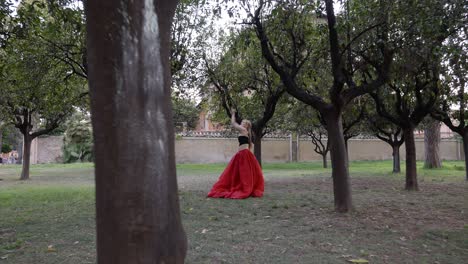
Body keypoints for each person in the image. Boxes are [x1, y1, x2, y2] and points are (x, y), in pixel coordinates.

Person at [207, 109, 264, 199]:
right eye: (241, 122)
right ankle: (242, 186)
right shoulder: (245, 131)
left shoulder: (243, 129)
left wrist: (233, 114)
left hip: (243, 154)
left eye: (242, 122)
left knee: (243, 173)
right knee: (240, 173)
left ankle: (244, 188)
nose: (241, 123)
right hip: (242, 154)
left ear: (246, 125)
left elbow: (233, 123)